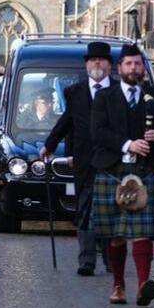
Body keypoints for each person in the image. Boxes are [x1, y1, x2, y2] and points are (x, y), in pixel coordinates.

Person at [90, 44, 154, 306]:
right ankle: (118, 286)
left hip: (144, 170)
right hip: (113, 170)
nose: (134, 69)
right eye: (129, 64)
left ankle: (142, 285)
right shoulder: (105, 97)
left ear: (143, 68)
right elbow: (98, 132)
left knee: (142, 232)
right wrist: (128, 144)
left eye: (138, 64)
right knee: (115, 233)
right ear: (119, 68)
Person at [41, 41, 113, 276]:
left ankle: (112, 259)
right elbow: (66, 122)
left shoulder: (120, 92)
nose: (97, 64)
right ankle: (87, 261)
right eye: (92, 60)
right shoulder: (75, 92)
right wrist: (50, 145)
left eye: (101, 60)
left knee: (110, 211)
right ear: (86, 65)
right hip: (84, 161)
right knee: (85, 211)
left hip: (113, 161)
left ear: (109, 66)